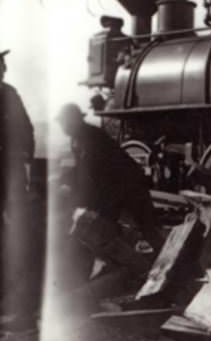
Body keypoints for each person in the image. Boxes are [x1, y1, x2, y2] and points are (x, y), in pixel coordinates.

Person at [56, 103, 161, 251]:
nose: (63, 127)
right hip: (114, 188)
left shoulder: (91, 137)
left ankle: (177, 265)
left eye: (64, 123)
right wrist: (64, 180)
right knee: (106, 230)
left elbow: (90, 170)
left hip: (129, 185)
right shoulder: (77, 139)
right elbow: (82, 169)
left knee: (147, 229)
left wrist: (74, 192)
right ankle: (123, 263)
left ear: (74, 121)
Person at [0, 50, 34, 228]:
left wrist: (28, 157)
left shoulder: (11, 93)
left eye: (1, 66)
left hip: (11, 163)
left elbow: (26, 127)